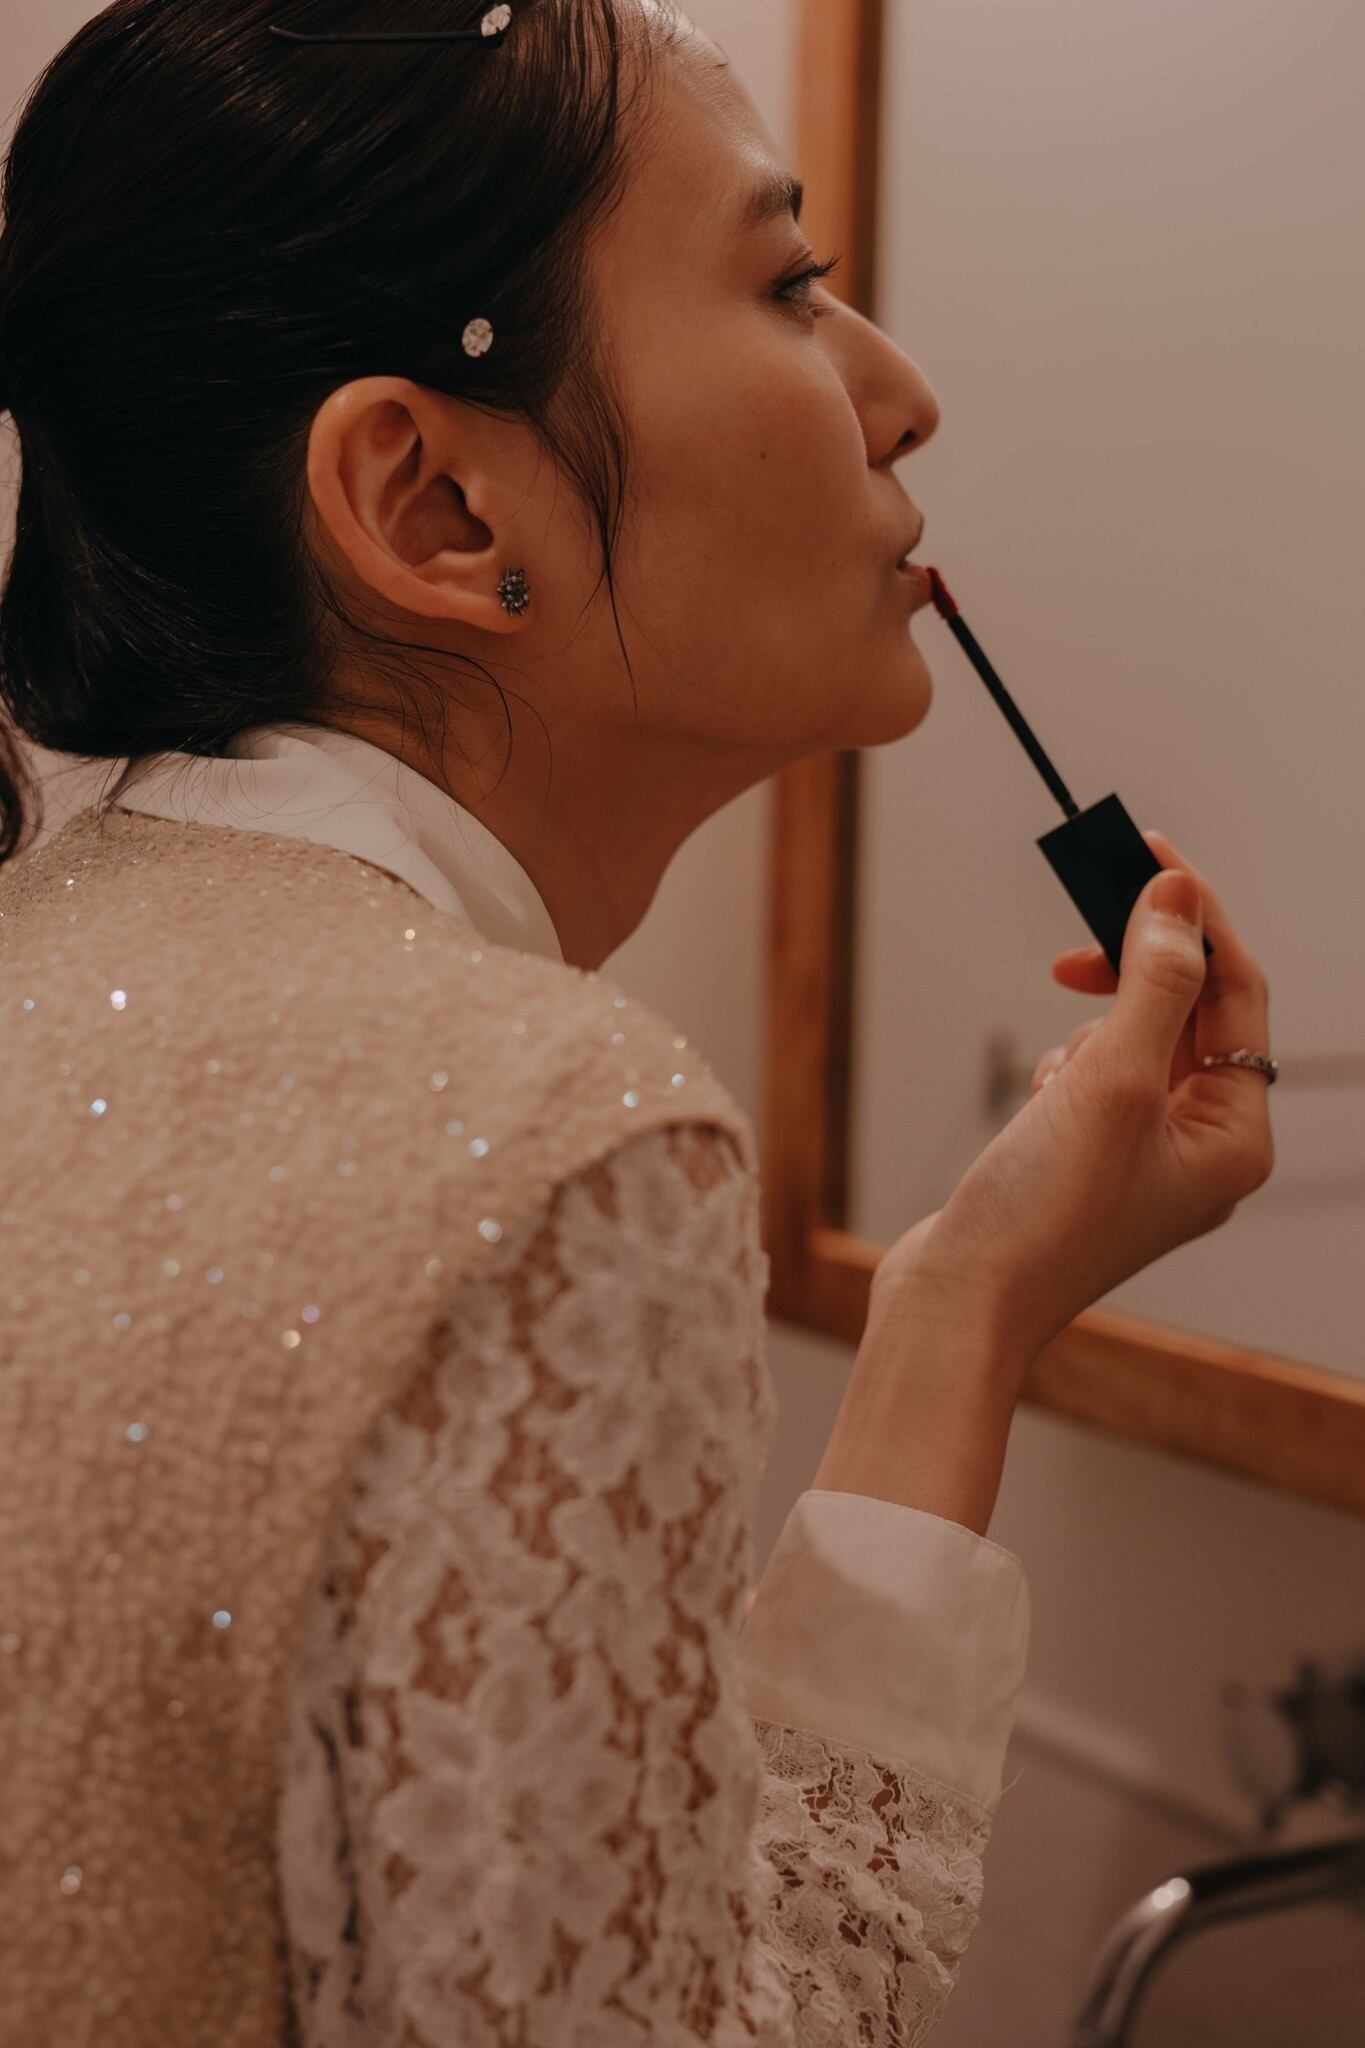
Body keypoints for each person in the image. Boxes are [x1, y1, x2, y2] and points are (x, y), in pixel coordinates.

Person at [0, 4, 1275, 2043]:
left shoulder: (53, 947)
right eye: (786, 284)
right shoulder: (540, 1143)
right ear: (434, 505)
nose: (900, 393)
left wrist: (959, 1287)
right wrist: (969, 1316)